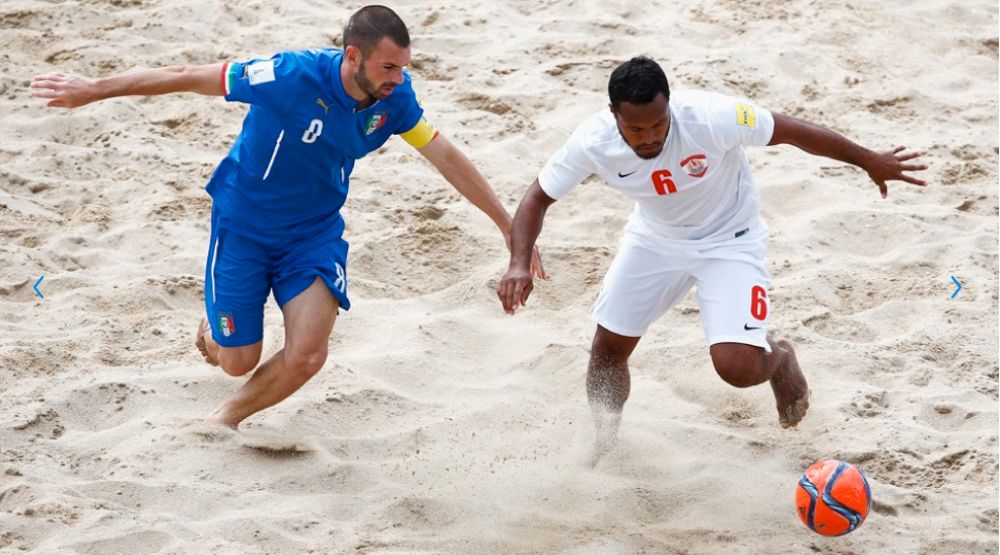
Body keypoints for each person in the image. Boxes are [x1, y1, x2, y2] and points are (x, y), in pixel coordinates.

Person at [31, 5, 544, 430]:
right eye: (389, 67)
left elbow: (444, 154)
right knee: (236, 360)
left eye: (404, 66)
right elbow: (186, 77)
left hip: (312, 236)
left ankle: (222, 420)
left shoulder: (395, 100)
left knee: (307, 354)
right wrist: (95, 88)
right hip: (244, 228)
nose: (400, 77)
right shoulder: (289, 75)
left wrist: (507, 226)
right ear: (353, 56)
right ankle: (215, 333)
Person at [497, 56, 927, 461]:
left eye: (658, 125)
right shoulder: (592, 141)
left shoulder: (711, 116)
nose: (648, 137)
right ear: (614, 114)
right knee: (606, 350)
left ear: (671, 107)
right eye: (636, 129)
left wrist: (867, 159)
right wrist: (518, 262)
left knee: (736, 368)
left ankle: (779, 358)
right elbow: (537, 197)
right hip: (654, 239)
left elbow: (792, 130)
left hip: (731, 241)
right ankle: (605, 441)